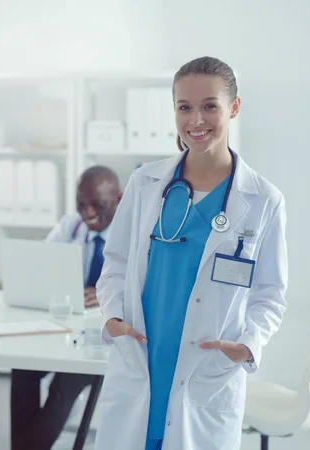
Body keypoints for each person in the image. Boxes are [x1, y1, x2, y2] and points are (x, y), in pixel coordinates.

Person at [93, 56, 288, 450]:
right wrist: (113, 315)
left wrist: (249, 343)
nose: (196, 120)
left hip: (206, 368)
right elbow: (115, 262)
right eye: (184, 107)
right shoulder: (145, 183)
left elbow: (270, 294)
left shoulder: (263, 199)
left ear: (233, 107)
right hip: (142, 355)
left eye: (210, 106)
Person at [10, 165, 123, 450]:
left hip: (104, 338)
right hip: (67, 329)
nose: (87, 213)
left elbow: (148, 286)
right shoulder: (70, 226)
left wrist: (111, 292)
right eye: (81, 204)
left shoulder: (133, 234)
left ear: (119, 199)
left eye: (98, 204)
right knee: (24, 366)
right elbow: (41, 266)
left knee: (66, 380)